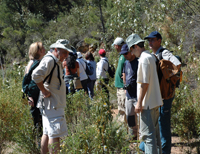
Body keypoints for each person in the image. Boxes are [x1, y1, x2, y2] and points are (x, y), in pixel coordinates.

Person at [142, 31, 181, 154]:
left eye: (153, 40)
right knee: (158, 123)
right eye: (149, 40)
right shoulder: (154, 54)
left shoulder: (164, 53)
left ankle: (165, 151)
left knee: (163, 125)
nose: (150, 42)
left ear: (159, 41)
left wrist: (167, 74)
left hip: (165, 96)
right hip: (159, 96)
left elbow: (177, 63)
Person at [32, 39, 73, 154]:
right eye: (64, 52)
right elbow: (35, 75)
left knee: (47, 133)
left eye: (67, 52)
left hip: (50, 105)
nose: (66, 55)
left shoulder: (55, 60)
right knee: (55, 135)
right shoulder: (50, 60)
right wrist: (44, 91)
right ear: (56, 50)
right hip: (53, 105)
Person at [126, 33, 163, 154]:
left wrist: (139, 103)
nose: (131, 53)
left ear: (136, 46)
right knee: (155, 136)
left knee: (148, 137)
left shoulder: (143, 59)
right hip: (155, 102)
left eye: (132, 49)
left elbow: (144, 83)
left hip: (147, 105)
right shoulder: (150, 56)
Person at [25, 42, 46, 145]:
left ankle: (41, 144)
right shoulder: (32, 64)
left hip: (38, 95)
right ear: (38, 51)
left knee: (40, 120)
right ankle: (39, 145)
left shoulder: (37, 62)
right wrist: (29, 96)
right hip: (34, 96)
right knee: (37, 121)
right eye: (42, 48)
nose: (45, 49)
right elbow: (27, 82)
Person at [120, 44, 138, 140]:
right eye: (123, 54)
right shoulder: (126, 63)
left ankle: (142, 139)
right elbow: (124, 74)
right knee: (130, 118)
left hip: (138, 96)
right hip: (129, 95)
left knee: (141, 119)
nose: (125, 55)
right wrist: (125, 84)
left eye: (126, 53)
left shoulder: (138, 62)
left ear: (131, 51)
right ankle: (133, 137)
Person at [113, 37, 127, 123]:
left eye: (114, 46)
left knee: (123, 110)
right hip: (120, 87)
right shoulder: (122, 56)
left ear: (117, 46)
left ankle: (123, 132)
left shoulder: (125, 55)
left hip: (123, 88)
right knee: (121, 109)